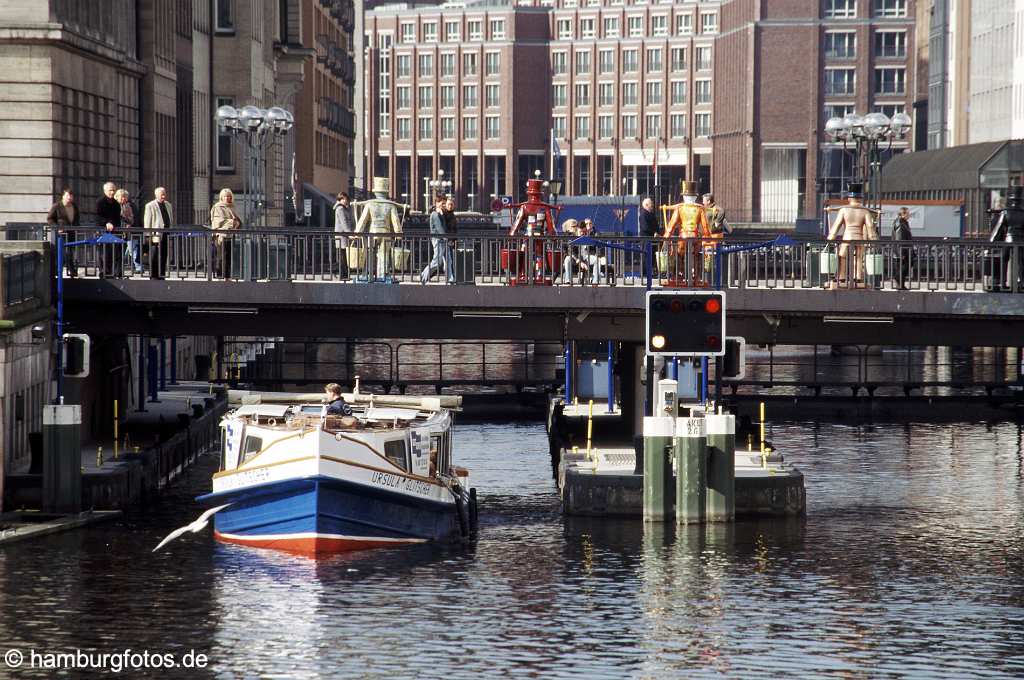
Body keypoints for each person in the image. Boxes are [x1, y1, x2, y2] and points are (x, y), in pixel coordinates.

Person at [825, 182, 877, 288]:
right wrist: (873, 239)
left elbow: (837, 225)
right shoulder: (865, 211)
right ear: (860, 198)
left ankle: (842, 277)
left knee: (842, 257)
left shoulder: (844, 210)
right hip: (859, 238)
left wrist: (831, 237)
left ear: (849, 198)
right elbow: (870, 227)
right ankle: (858, 278)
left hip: (847, 238)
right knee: (858, 257)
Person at [355, 177, 405, 282]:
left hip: (373, 233)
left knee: (370, 254)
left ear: (375, 192)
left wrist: (357, 232)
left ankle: (368, 274)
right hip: (385, 234)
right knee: (384, 255)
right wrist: (398, 233)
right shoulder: (391, 205)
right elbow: (395, 222)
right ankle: (382, 275)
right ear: (386, 192)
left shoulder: (370, 204)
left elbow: (363, 220)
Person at [663, 180, 711, 285]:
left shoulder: (680, 208)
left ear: (684, 197)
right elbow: (705, 226)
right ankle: (696, 276)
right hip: (695, 236)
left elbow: (671, 225)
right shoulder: (700, 209)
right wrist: (708, 239)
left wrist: (666, 238)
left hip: (683, 236)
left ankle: (679, 274)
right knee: (696, 255)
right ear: (695, 197)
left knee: (679, 254)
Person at [420, 194, 455, 284]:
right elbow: (440, 229)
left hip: (443, 240)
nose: (443, 205)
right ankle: (423, 277)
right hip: (438, 240)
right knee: (437, 261)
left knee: (448, 260)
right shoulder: (435, 215)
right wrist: (448, 239)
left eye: (444, 203)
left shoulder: (440, 213)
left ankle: (450, 279)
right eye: (442, 203)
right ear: (437, 203)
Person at [47, 187, 80, 278]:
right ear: (63, 196)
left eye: (71, 196)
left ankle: (71, 271)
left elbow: (77, 219)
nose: (69, 197)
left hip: (71, 233)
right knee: (61, 253)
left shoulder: (74, 206)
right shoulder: (57, 206)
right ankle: (58, 271)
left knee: (70, 252)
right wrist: (57, 228)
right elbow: (50, 219)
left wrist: (76, 226)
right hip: (60, 234)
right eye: (67, 195)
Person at [210, 188, 242, 280]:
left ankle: (227, 277)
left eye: (229, 196)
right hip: (221, 236)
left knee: (229, 257)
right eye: (225, 196)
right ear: (221, 197)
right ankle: (220, 276)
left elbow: (238, 221)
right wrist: (232, 222)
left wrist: (235, 223)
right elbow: (218, 221)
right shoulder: (218, 207)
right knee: (221, 256)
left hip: (230, 235)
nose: (227, 198)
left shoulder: (232, 206)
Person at [144, 186, 174, 279]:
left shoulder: (168, 204)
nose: (163, 197)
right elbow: (147, 221)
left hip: (166, 234)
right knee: (154, 256)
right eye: (161, 195)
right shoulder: (150, 205)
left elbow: (170, 218)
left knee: (164, 254)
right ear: (156, 195)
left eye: (164, 194)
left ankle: (162, 274)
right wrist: (148, 235)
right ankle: (153, 275)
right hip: (155, 235)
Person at [96, 181, 122, 278]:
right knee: (104, 254)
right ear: (105, 191)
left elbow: (117, 218)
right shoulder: (100, 202)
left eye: (114, 190)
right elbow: (97, 216)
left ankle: (115, 273)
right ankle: (104, 273)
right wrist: (106, 223)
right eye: (110, 190)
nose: (112, 192)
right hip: (103, 231)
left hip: (114, 231)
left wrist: (114, 224)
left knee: (115, 254)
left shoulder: (116, 203)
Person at [115, 189, 141, 275]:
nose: (123, 199)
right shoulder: (115, 205)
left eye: (125, 197)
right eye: (121, 197)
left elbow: (135, 219)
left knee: (133, 250)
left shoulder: (131, 206)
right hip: (119, 232)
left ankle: (138, 267)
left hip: (130, 231)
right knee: (123, 251)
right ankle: (119, 268)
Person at [333, 191, 354, 279]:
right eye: (344, 199)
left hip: (343, 235)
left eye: (346, 199)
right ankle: (343, 275)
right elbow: (344, 223)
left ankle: (344, 274)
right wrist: (349, 234)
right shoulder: (340, 209)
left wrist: (349, 207)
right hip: (342, 235)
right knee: (342, 256)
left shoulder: (344, 208)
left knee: (343, 255)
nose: (346, 201)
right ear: (340, 199)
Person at [891, 206, 912, 289]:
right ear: (903, 214)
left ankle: (901, 285)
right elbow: (900, 237)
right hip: (902, 249)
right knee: (905, 266)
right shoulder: (900, 222)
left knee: (902, 267)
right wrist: (902, 252)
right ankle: (897, 278)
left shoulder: (903, 222)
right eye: (908, 213)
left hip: (903, 249)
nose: (909, 215)